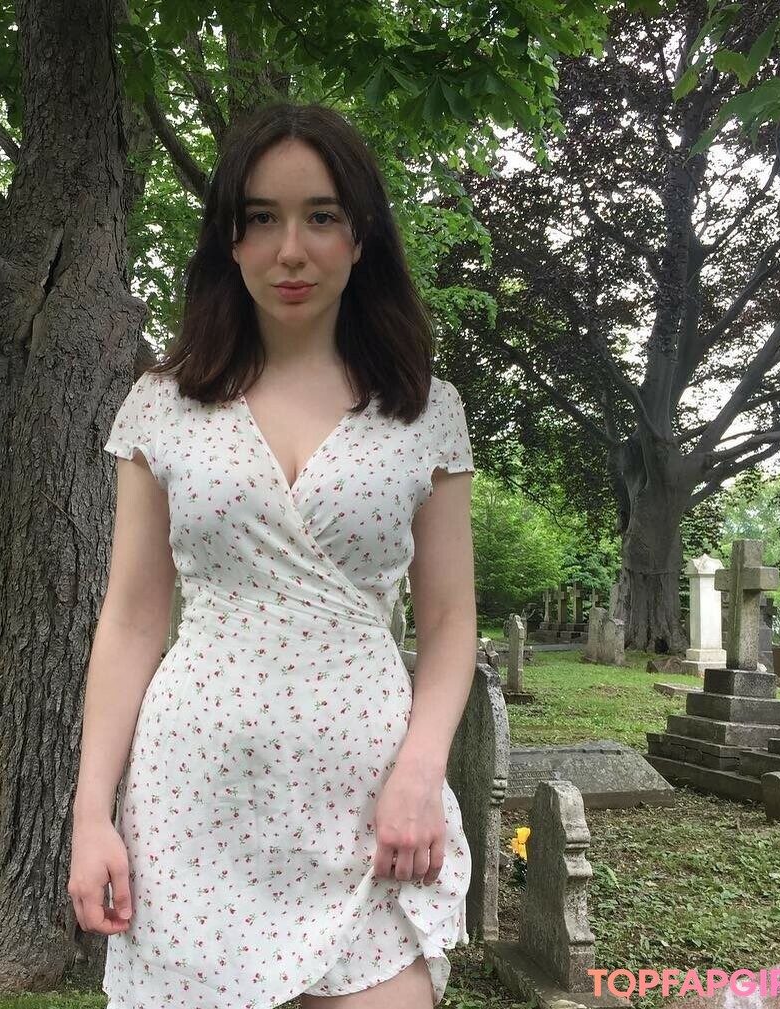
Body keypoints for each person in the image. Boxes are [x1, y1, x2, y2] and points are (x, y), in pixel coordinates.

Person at [68, 102, 477, 1009]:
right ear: (231, 238)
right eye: (262, 218)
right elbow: (131, 618)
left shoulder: (425, 410)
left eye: (320, 216)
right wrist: (92, 811)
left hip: (372, 804)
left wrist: (421, 771)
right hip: (193, 804)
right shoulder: (163, 406)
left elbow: (451, 621)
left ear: (361, 236)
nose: (291, 250)